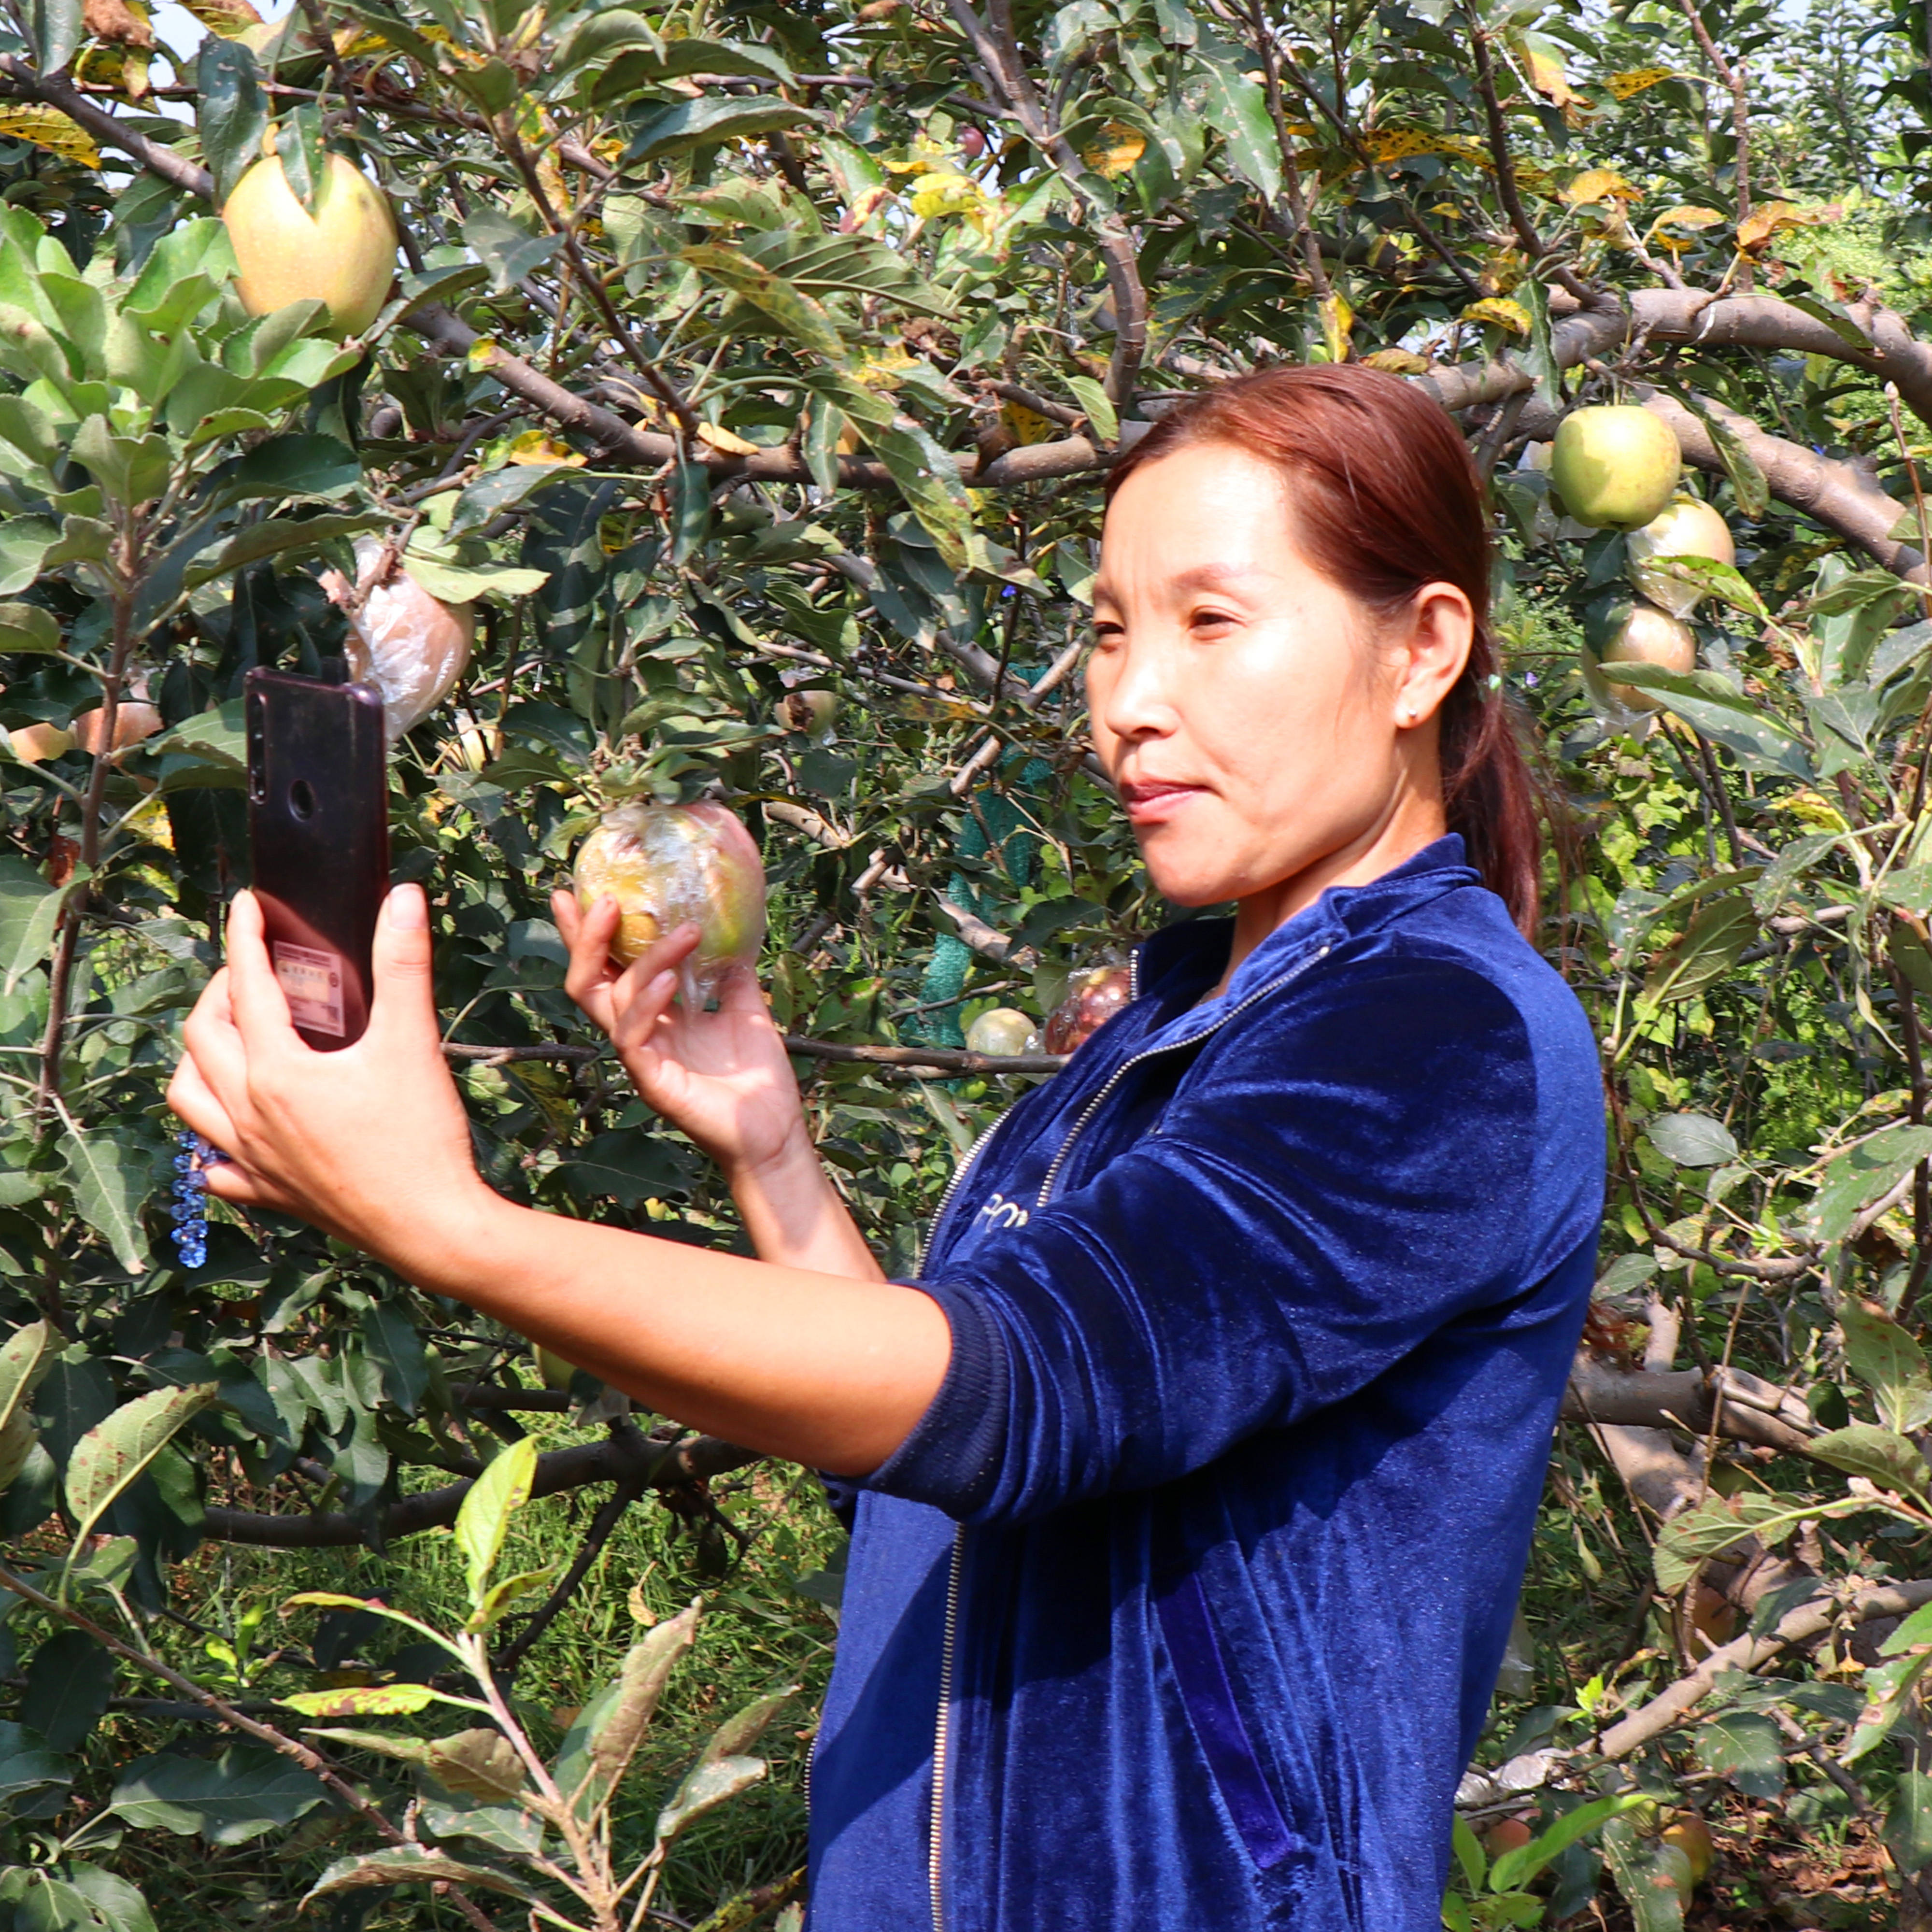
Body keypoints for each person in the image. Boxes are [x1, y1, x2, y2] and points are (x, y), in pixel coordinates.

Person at [170, 364, 1604, 1932]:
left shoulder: (1432, 1036)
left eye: (1211, 622)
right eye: (1113, 628)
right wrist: (770, 1145)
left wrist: (444, 1219)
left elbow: (1018, 1394)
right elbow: (946, 1482)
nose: (1129, 699)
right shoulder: (1178, 1026)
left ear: (1424, 651)